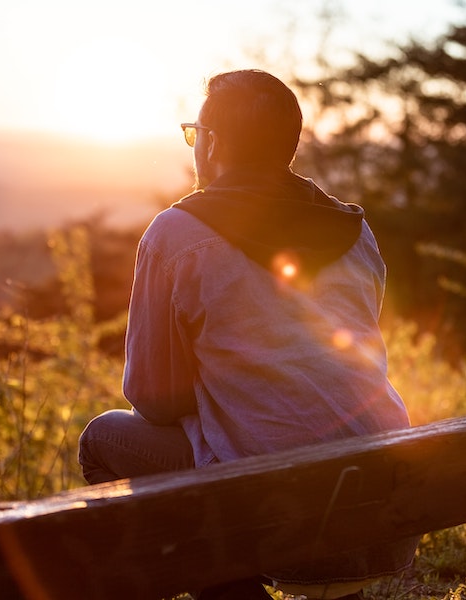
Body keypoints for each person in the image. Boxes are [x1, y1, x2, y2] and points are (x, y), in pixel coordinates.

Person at [79, 69, 418, 600]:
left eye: (195, 133)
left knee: (103, 439)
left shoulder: (176, 232)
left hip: (279, 518)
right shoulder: (355, 228)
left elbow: (153, 399)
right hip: (384, 515)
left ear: (212, 142)